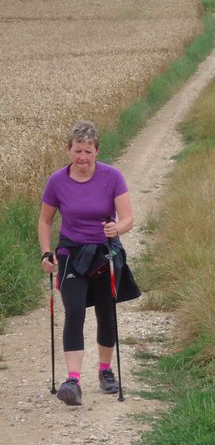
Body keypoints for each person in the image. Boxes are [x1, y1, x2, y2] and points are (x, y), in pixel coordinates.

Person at [38, 121, 137, 407]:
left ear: (97, 151)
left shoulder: (112, 177)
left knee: (106, 312)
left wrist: (117, 229)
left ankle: (105, 371)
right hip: (70, 253)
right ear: (69, 150)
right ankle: (73, 380)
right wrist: (47, 253)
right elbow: (45, 220)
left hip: (104, 253)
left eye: (88, 151)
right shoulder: (57, 181)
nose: (83, 157)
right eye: (77, 151)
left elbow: (128, 217)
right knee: (74, 312)